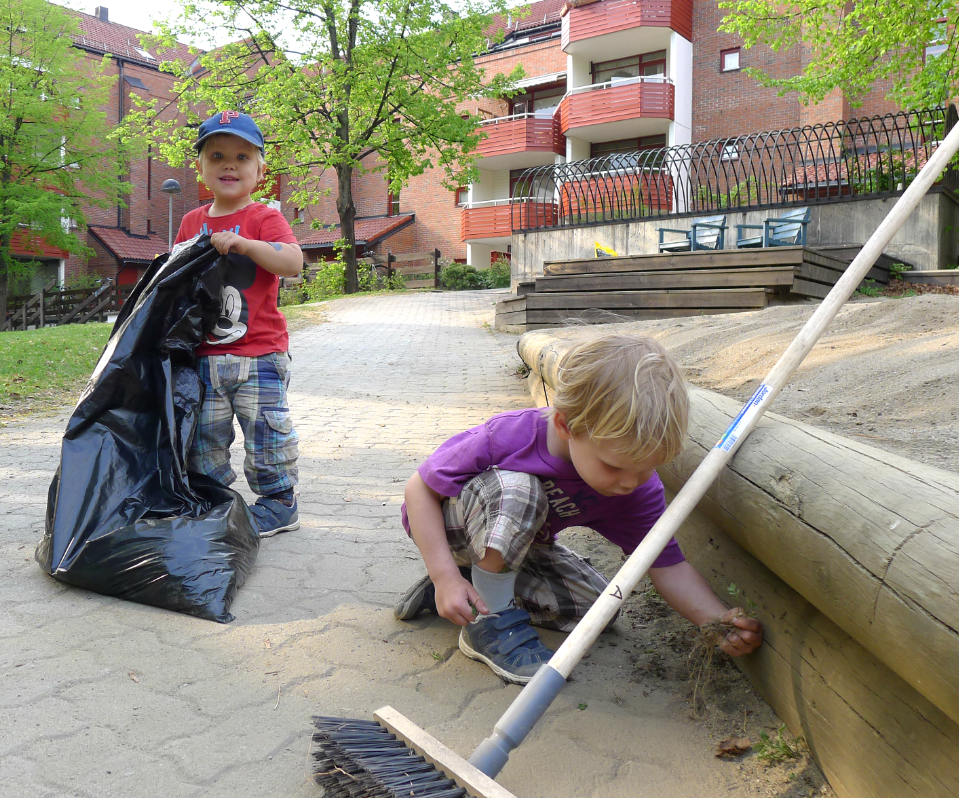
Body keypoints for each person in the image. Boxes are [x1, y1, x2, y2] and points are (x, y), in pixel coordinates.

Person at [395, 333, 763, 684]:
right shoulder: (511, 436)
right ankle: (485, 623)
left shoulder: (635, 490)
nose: (629, 482)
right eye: (614, 466)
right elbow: (419, 490)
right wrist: (444, 573)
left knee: (598, 610)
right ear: (565, 424)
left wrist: (715, 620)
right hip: (450, 528)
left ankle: (472, 589)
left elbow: (667, 565)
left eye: (647, 467)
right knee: (520, 492)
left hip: (518, 548)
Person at [174, 110, 304, 537]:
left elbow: (292, 263)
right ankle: (214, 498)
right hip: (205, 356)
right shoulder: (192, 221)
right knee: (204, 435)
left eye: (242, 157)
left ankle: (278, 501)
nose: (229, 165)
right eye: (217, 155)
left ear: (260, 169)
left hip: (260, 354)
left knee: (265, 431)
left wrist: (246, 245)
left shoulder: (265, 218)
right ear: (201, 168)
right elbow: (175, 277)